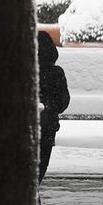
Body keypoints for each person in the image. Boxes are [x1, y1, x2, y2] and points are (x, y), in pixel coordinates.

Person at [39, 30, 69, 181]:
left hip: (22, 125)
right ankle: (33, 193)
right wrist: (50, 108)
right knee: (41, 164)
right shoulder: (56, 73)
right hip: (48, 125)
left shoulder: (23, 72)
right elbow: (63, 102)